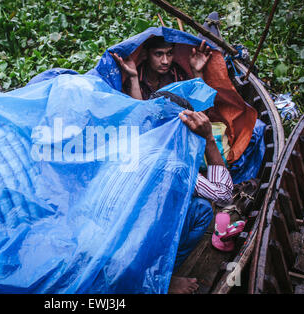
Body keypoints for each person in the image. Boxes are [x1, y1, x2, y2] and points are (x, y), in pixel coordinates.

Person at [111, 36, 233, 294]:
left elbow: (140, 110)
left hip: (108, 232)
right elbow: (223, 195)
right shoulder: (174, 162)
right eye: (159, 55)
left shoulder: (134, 138)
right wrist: (209, 139)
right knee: (201, 209)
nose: (165, 60)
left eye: (169, 54)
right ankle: (159, 278)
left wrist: (198, 72)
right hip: (126, 250)